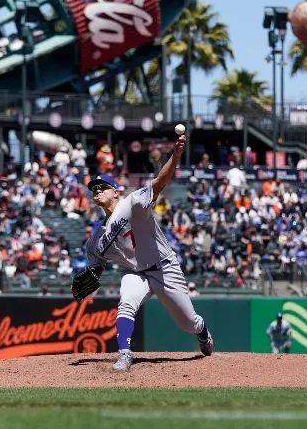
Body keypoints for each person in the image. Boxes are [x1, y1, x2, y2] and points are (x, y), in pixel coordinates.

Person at [73, 133, 214, 372]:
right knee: (126, 304)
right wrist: (91, 275)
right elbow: (96, 267)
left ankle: (202, 331)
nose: (97, 190)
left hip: (164, 267)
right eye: (94, 189)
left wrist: (175, 156)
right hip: (135, 273)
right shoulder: (95, 240)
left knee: (188, 322)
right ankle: (124, 354)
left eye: (103, 187)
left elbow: (159, 182)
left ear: (115, 192)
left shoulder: (132, 203)